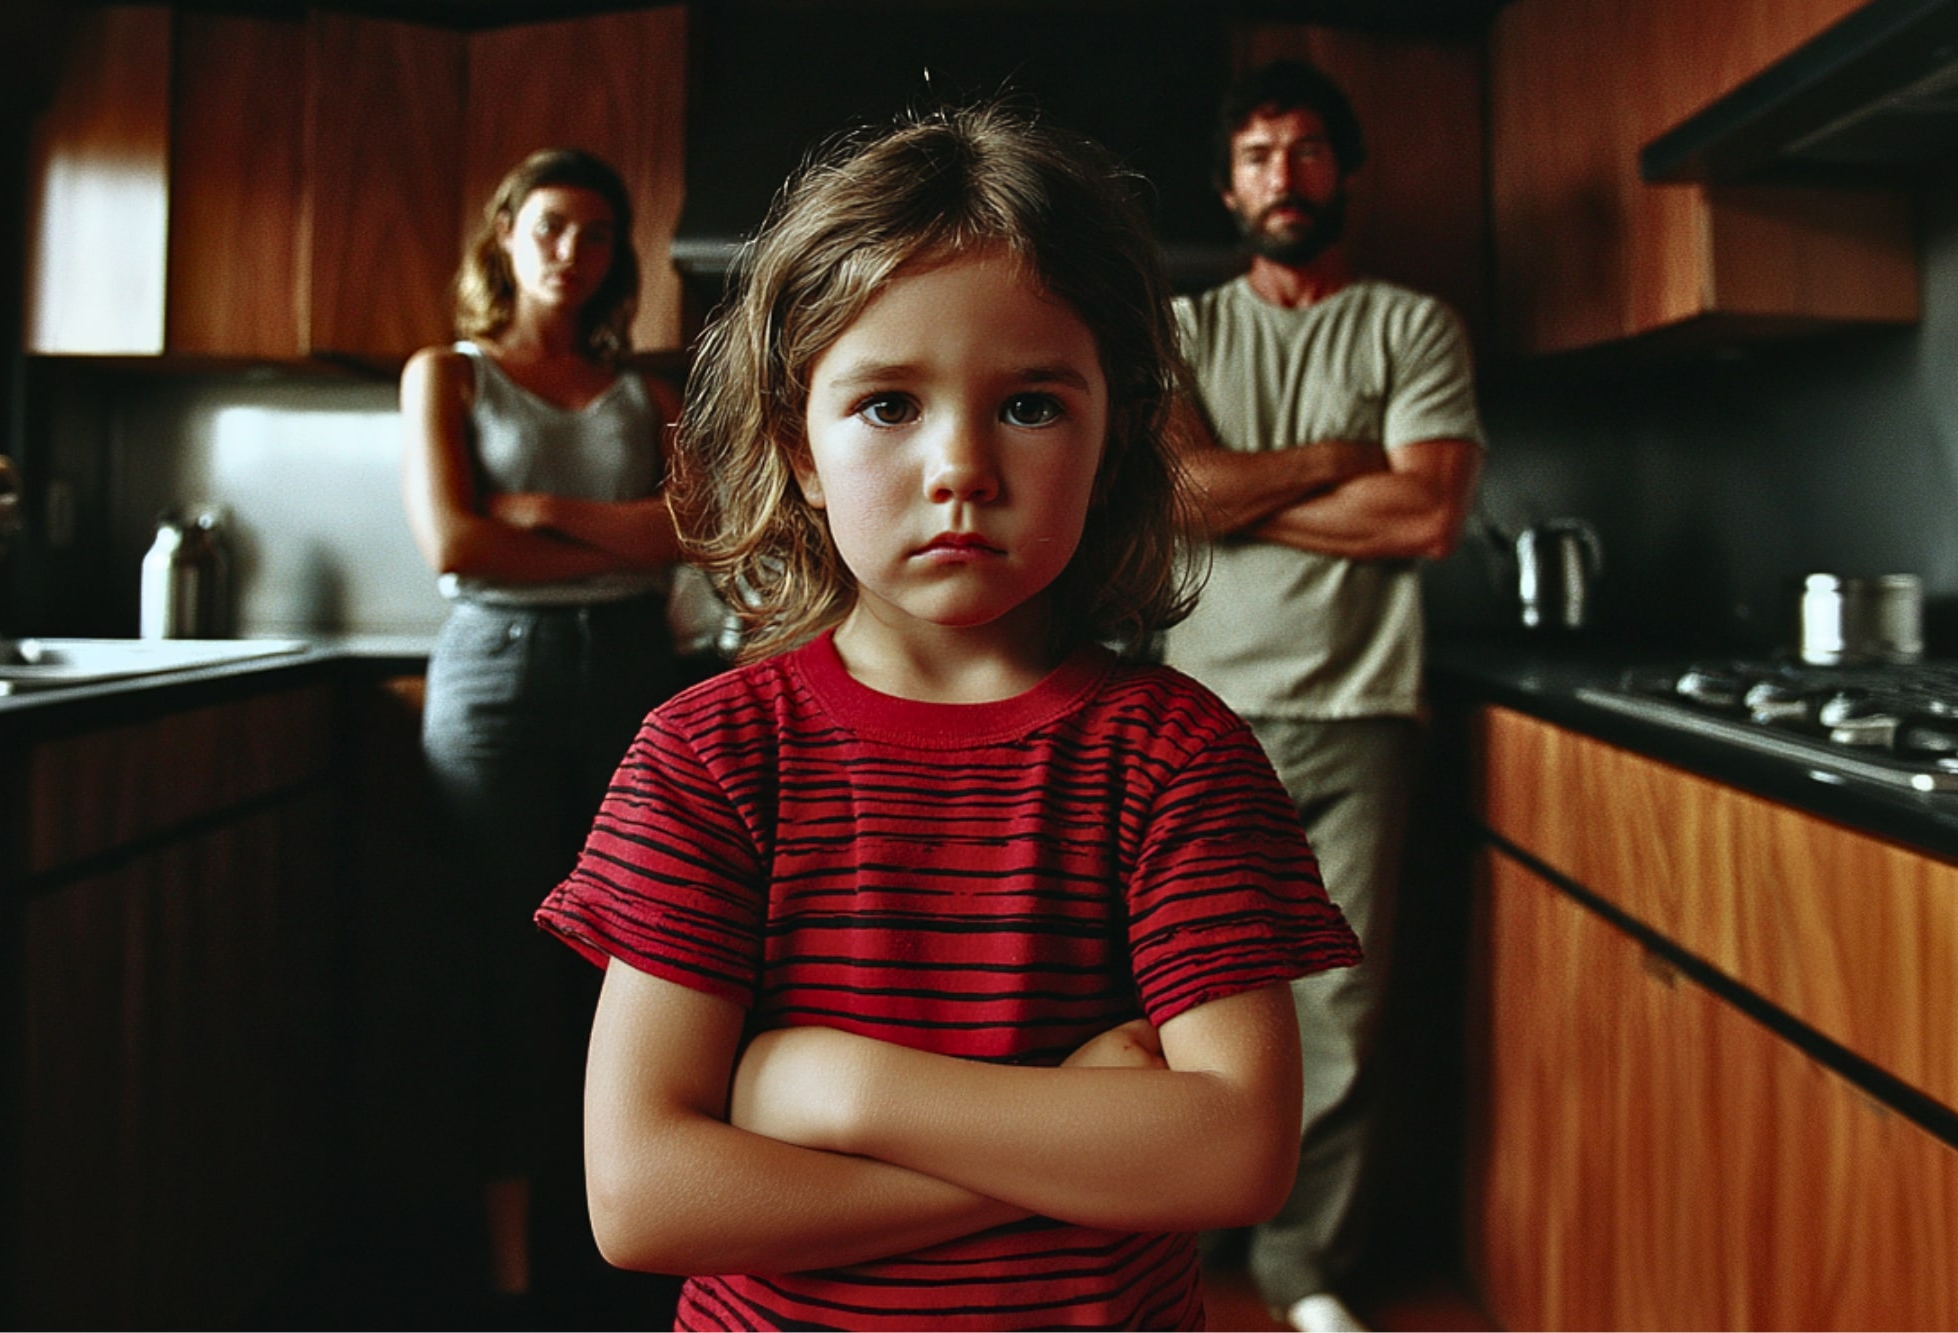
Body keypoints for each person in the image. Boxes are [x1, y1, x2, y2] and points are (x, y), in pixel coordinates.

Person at [532, 102, 1363, 1331]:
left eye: (1030, 405)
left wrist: (838, 1087)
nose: (960, 466)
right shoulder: (707, 756)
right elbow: (644, 1199)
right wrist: (1068, 1135)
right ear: (797, 449)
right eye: (887, 405)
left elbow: (1234, 1154)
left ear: (1111, 442)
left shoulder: (1176, 757)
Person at [1161, 59, 1487, 1333]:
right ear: (1225, 185)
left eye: (1303, 151)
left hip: (1359, 713)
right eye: (1255, 155)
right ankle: (1171, 1243)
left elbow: (1424, 516)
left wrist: (1243, 488)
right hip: (1196, 712)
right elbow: (1176, 498)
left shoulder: (1411, 327)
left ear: (1342, 171)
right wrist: (1339, 459)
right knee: (1179, 991)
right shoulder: (1182, 330)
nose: (1281, 176)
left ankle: (1305, 1275)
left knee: (1337, 1006)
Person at [399, 147, 682, 1315]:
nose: (572, 250)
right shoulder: (448, 375)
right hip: (495, 681)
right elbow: (457, 544)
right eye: (551, 226)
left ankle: (633, 1239)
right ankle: (516, 1279)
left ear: (618, 256)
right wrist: (609, 545)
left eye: (597, 232)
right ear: (507, 236)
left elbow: (683, 534)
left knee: (639, 960)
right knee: (502, 967)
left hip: (632, 675)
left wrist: (544, 511)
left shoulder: (645, 394)